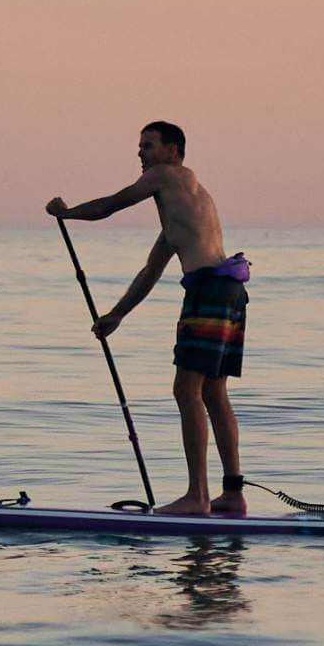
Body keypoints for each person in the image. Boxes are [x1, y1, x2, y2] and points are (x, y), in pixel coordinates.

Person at [51, 122, 252, 516]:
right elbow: (151, 271)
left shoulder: (167, 175)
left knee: (186, 391)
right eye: (139, 146)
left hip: (209, 292)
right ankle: (232, 494)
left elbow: (111, 204)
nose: (140, 154)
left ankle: (197, 497)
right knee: (213, 393)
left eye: (148, 145)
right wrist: (116, 316)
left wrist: (67, 212)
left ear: (172, 150)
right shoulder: (185, 207)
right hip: (229, 291)